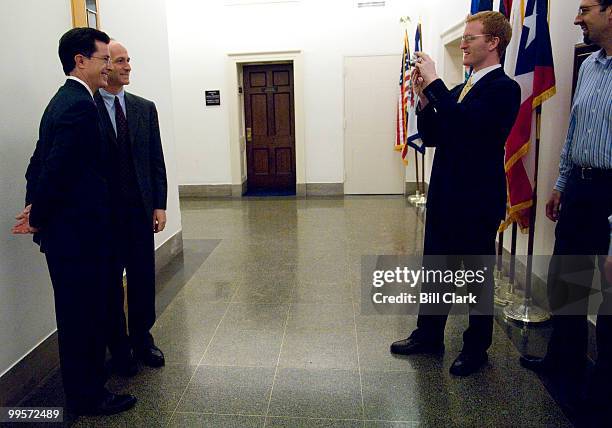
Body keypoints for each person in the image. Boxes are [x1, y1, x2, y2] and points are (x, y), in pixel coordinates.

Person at [12, 28, 136, 415]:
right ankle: (88, 396)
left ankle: (85, 390)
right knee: (83, 318)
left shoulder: (64, 101)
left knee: (78, 315)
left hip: (71, 233)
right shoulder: (80, 105)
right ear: (80, 61)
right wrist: (39, 216)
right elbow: (55, 169)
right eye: (104, 59)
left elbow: (40, 163)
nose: (109, 67)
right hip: (79, 237)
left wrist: (36, 207)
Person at [390, 11, 521, 376]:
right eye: (462, 38)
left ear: (493, 42)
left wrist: (434, 82)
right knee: (436, 272)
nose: (463, 44)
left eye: (470, 38)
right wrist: (423, 99)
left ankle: (476, 348)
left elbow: (466, 128)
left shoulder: (503, 89)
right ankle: (428, 335)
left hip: (476, 201)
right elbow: (436, 136)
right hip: (446, 196)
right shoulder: (465, 87)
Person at [519, 0, 612, 407]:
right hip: (581, 188)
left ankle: (605, 384)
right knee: (566, 280)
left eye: (586, 9)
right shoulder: (590, 65)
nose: (577, 18)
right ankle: (565, 361)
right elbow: (575, 131)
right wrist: (561, 184)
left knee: (609, 292)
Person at [94, 40, 167, 375]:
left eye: (128, 60)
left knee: (142, 279)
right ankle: (118, 348)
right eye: (120, 61)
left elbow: (156, 160)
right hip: (104, 218)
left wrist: (160, 205)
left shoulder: (143, 107)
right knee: (109, 284)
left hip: (139, 212)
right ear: (105, 65)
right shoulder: (87, 106)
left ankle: (143, 339)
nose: (127, 67)